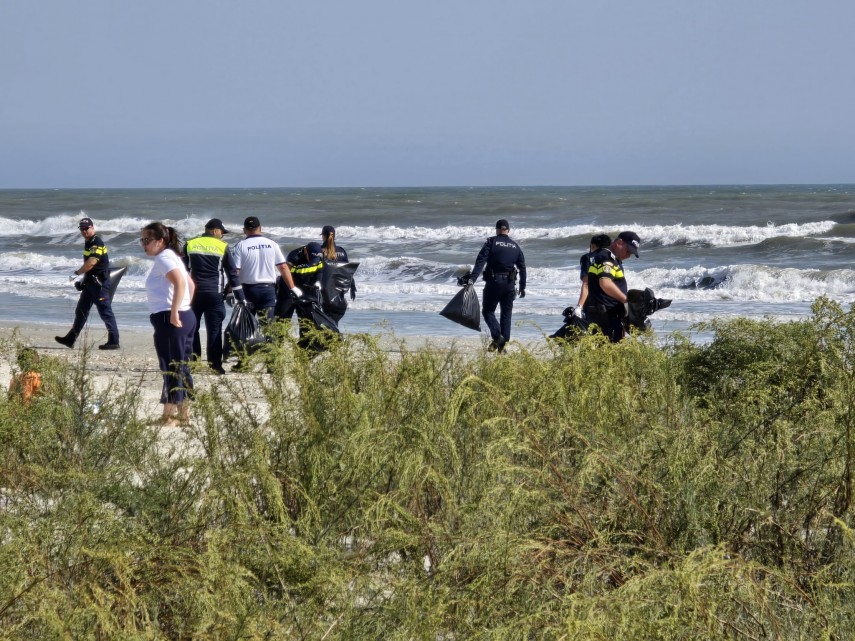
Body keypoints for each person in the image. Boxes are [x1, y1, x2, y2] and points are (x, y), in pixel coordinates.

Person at [141, 222, 196, 426]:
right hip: (184, 316)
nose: (143, 244)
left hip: (170, 318)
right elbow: (190, 284)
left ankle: (169, 418)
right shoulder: (172, 256)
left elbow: (182, 283)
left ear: (160, 240)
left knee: (172, 366)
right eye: (142, 240)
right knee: (180, 366)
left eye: (147, 240)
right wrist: (185, 306)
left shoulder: (164, 257)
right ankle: (183, 416)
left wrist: (175, 310)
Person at [182, 218, 245, 375]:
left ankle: (194, 363)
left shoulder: (190, 244)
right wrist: (239, 296)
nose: (222, 236)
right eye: (222, 232)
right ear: (215, 231)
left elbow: (182, 271)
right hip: (214, 294)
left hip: (193, 295)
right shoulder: (222, 247)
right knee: (214, 330)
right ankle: (215, 366)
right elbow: (232, 274)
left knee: (192, 329)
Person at [55, 217, 120, 350]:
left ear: (92, 227)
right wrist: (83, 282)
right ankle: (70, 339)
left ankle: (114, 341)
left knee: (105, 312)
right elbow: (91, 268)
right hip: (90, 284)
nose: (84, 231)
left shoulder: (96, 243)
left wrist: (76, 274)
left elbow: (91, 263)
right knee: (81, 311)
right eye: (82, 229)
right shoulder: (89, 242)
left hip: (99, 285)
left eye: (86, 228)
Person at [469, 219, 526, 353]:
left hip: (494, 283)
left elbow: (480, 261)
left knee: (488, 311)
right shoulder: (515, 246)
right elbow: (522, 268)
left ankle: (498, 338)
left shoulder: (491, 242)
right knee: (506, 315)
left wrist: (472, 279)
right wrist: (523, 287)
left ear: (497, 229)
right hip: (510, 285)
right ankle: (502, 345)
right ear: (508, 231)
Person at [233, 216, 301, 323]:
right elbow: (283, 267)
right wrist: (292, 288)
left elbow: (235, 271)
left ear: (244, 230)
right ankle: (268, 340)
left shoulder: (240, 246)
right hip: (267, 290)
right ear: (260, 228)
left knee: (246, 326)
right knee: (268, 326)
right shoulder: (272, 244)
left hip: (247, 291)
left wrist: (230, 290)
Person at [582, 231, 641, 343]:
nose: (628, 255)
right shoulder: (606, 257)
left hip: (607, 313)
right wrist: (626, 301)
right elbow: (605, 283)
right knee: (607, 352)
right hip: (603, 315)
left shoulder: (613, 259)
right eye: (628, 250)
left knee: (611, 351)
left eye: (631, 253)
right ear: (619, 243)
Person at [320, 225, 357, 322]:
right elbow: (347, 271)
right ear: (334, 235)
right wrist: (352, 286)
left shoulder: (319, 251)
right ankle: (334, 335)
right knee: (334, 318)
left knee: (324, 318)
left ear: (323, 236)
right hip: (338, 289)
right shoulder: (341, 251)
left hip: (323, 290)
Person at [574, 234, 612, 317]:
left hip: (593, 304)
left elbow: (586, 284)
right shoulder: (613, 258)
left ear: (593, 245)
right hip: (612, 304)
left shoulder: (587, 258)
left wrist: (579, 307)